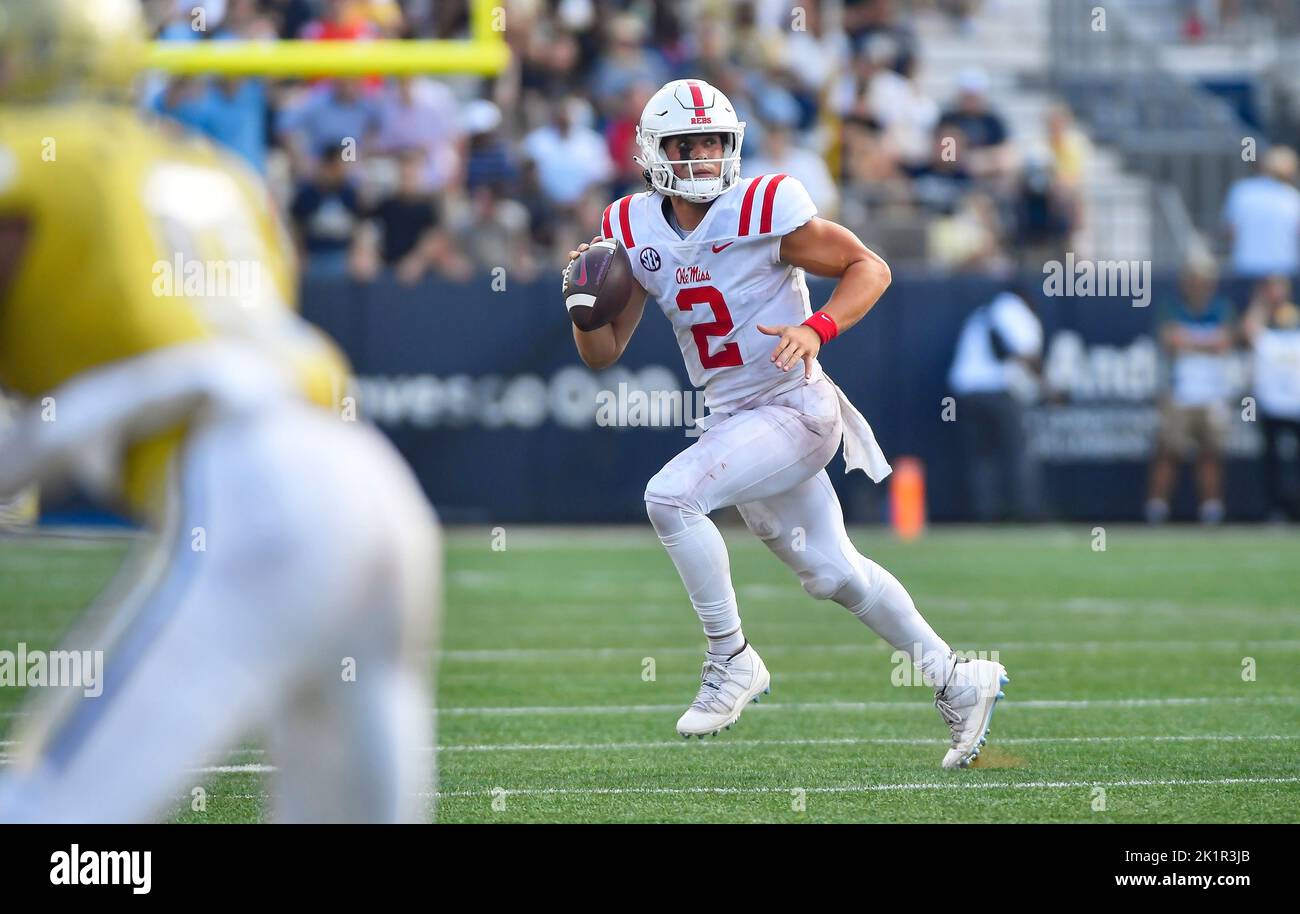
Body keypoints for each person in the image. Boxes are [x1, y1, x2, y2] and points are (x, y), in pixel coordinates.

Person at [0, 0, 440, 823]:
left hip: (256, 490)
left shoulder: (34, 159)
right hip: (372, 483)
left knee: (47, 816)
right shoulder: (215, 170)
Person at [565, 78, 1007, 769]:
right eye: (689, 144)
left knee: (670, 497)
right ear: (656, 153)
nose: (707, 155)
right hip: (736, 419)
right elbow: (602, 354)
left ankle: (730, 659)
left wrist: (817, 326)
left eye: (714, 141)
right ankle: (957, 678)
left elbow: (870, 267)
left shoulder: (763, 205)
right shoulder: (629, 227)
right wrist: (585, 310)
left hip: (794, 406)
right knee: (836, 574)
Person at [1145, 255, 1236, 524]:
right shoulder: (1171, 307)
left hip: (1212, 394)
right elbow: (1170, 340)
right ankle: (1156, 509)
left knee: (1211, 453)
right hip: (1180, 394)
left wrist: (1190, 341)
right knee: (1168, 451)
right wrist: (1206, 341)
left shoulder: (1222, 308)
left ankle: (1212, 510)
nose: (1198, 285)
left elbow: (1224, 342)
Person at [947, 286, 1045, 521]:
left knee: (982, 456)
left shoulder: (981, 313)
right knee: (1018, 451)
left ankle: (986, 515)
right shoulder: (1014, 309)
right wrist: (1046, 385)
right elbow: (1026, 354)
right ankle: (1026, 512)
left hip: (965, 391)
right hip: (998, 389)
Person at [1242, 275, 1300, 521]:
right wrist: (1261, 303)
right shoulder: (1263, 324)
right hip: (1272, 404)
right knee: (1272, 462)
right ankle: (1276, 510)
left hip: (1297, 403)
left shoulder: (1293, 317)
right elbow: (1248, 332)